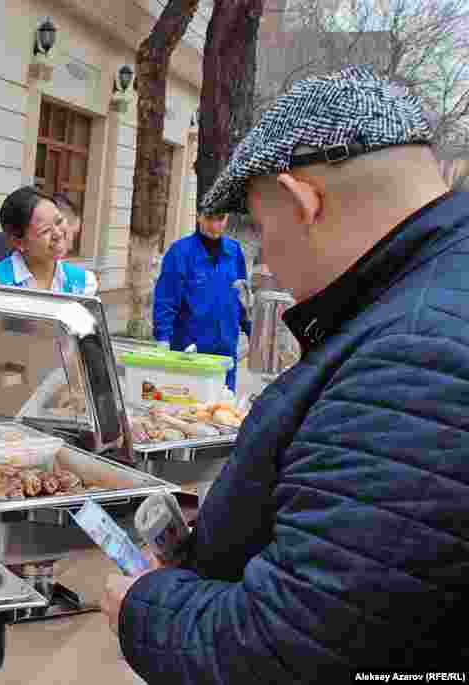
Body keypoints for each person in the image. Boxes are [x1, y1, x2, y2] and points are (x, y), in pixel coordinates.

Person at [100, 66, 469, 682]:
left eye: (266, 231)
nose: (266, 260)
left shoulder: (415, 355)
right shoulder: (425, 297)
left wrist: (142, 605)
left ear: (305, 203)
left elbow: (288, 647)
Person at [152, 211, 251, 390]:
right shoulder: (180, 252)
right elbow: (166, 297)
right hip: (190, 347)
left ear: (227, 217)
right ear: (199, 217)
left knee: (223, 406)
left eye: (220, 219)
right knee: (188, 407)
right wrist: (163, 338)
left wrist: (252, 331)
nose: (215, 226)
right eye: (209, 219)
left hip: (225, 345)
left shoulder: (234, 251)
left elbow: (242, 297)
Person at [0, 186, 98, 295]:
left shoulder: (85, 283)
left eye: (59, 221)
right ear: (19, 242)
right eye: (45, 231)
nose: (58, 233)